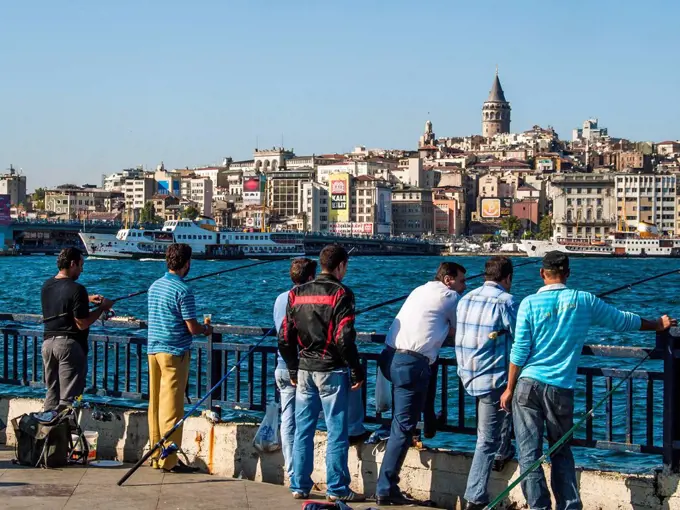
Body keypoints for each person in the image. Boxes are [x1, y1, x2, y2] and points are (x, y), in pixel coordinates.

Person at [501, 251, 676, 510]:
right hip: (560, 387)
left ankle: (538, 507)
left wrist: (509, 387)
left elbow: (519, 351)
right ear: (568, 274)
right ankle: (569, 506)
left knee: (529, 454)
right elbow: (622, 321)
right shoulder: (584, 300)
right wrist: (656, 324)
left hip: (527, 384)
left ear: (542, 273)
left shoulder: (528, 303)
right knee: (561, 451)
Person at [278, 244, 366, 503]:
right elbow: (344, 338)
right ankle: (336, 488)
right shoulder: (342, 294)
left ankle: (299, 485)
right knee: (336, 430)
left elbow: (285, 337)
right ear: (340, 266)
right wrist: (356, 369)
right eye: (346, 266)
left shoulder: (296, 294)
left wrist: (293, 366)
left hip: (304, 369)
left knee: (303, 428)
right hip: (332, 370)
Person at [375, 262, 467, 506]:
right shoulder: (450, 297)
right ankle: (385, 488)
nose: (464, 287)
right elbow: (459, 332)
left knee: (404, 417)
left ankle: (427, 420)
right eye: (461, 281)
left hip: (389, 357)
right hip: (410, 364)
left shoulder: (420, 289)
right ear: (448, 280)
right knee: (402, 427)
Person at [455, 256, 518, 510]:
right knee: (486, 440)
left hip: (467, 373)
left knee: (494, 422)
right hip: (491, 378)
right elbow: (521, 335)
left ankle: (503, 453)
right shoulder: (506, 301)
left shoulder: (466, 298)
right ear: (508, 278)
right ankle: (475, 497)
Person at [147, 243, 213, 473]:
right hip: (174, 352)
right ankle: (169, 460)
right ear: (186, 264)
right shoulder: (183, 291)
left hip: (153, 350)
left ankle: (155, 455)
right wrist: (206, 329)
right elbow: (192, 328)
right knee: (172, 409)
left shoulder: (154, 286)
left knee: (155, 405)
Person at [41, 247, 114, 411]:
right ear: (72, 264)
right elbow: (82, 323)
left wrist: (86, 299)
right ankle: (63, 434)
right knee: (69, 400)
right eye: (81, 265)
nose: (82, 269)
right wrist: (102, 308)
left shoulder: (47, 286)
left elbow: (63, 298)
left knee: (51, 397)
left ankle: (46, 433)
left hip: (48, 346)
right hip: (69, 346)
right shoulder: (77, 289)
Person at [273, 257, 318, 481]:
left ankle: (291, 470)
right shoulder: (306, 300)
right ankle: (300, 474)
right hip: (299, 369)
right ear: (310, 278)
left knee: (287, 420)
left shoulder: (280, 298)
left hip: (280, 366)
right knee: (304, 422)